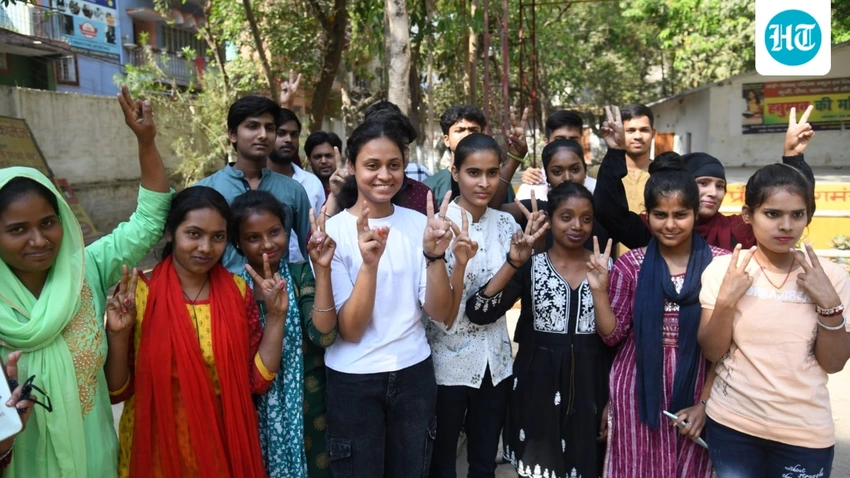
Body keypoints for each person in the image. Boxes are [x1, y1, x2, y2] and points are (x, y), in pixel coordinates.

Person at [0, 86, 172, 477]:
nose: (39, 240)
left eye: (47, 223)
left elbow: (149, 222)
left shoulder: (87, 269)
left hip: (94, 459)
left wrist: (146, 142)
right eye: (17, 229)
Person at [323, 120, 471, 476]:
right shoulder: (333, 232)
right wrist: (369, 266)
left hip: (413, 374)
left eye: (394, 165)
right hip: (353, 379)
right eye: (371, 165)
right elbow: (351, 331)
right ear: (352, 167)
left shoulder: (419, 223)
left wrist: (436, 256)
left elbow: (441, 313)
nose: (384, 176)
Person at [108, 186, 286, 477]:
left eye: (218, 237)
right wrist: (116, 335)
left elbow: (256, 380)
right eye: (194, 234)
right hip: (156, 445)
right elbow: (118, 389)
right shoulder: (139, 293)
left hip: (221, 444)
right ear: (170, 232)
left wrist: (277, 317)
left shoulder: (237, 291)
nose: (206, 247)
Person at [697, 164, 850, 477]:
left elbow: (833, 363)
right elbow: (713, 351)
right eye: (772, 214)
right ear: (747, 215)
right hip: (732, 426)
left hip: (805, 433)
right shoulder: (725, 270)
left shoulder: (831, 277)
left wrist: (830, 304)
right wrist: (727, 300)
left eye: (797, 214)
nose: (786, 225)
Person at [465, 182, 612, 478]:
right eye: (566, 216)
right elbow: (479, 312)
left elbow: (616, 340)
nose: (577, 226)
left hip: (590, 391)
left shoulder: (607, 268)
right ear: (550, 219)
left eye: (586, 218)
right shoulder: (532, 267)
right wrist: (512, 263)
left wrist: (612, 401)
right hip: (536, 390)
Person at [426, 133, 547, 478]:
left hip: (495, 361)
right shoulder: (438, 225)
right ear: (455, 171)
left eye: (492, 173)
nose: (483, 182)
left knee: (483, 462)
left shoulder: (507, 224)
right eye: (473, 173)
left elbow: (509, 292)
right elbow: (442, 308)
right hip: (446, 363)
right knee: (442, 462)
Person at [598, 157, 728, 478]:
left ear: (696, 214)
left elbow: (730, 346)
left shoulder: (721, 266)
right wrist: (599, 291)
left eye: (681, 215)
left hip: (700, 389)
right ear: (647, 216)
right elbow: (612, 336)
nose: (670, 225)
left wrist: (706, 404)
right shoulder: (631, 265)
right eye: (660, 215)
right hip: (636, 391)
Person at [594, 105, 816, 251]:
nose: (713, 192)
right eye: (703, 183)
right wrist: (615, 151)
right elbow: (608, 211)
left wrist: (794, 157)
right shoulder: (658, 229)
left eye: (720, 186)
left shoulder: (738, 230)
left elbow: (800, 209)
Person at [230, 190, 337, 477]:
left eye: (274, 232)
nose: (267, 244)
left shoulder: (303, 274)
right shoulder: (233, 291)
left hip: (312, 405)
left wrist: (323, 270)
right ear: (237, 243)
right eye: (253, 238)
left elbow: (323, 337)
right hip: (255, 411)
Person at [196, 96, 312, 272]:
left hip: (279, 292)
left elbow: (311, 250)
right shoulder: (206, 190)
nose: (263, 135)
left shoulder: (293, 189)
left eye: (270, 128)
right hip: (225, 294)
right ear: (232, 134)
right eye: (252, 126)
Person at [508, 139, 610, 252]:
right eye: (557, 172)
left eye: (575, 169)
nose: (567, 177)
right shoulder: (535, 211)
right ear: (546, 176)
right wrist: (514, 159)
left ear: (585, 170)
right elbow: (491, 209)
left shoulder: (603, 211)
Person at [424, 104, 520, 207]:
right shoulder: (429, 187)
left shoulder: (498, 182)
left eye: (473, 130)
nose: (467, 135)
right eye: (460, 130)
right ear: (446, 140)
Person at [267, 108, 327, 263]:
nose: (289, 139)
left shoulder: (312, 183)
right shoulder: (257, 182)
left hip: (308, 270)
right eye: (281, 133)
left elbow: (322, 229)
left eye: (294, 135)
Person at [517, 110, 597, 197]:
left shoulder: (596, 189)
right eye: (559, 140)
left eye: (573, 141)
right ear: (546, 143)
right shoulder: (529, 189)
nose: (566, 146)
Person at [305, 131, 343, 200]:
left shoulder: (352, 188)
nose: (323, 161)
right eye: (318, 157)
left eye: (328, 156)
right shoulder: (304, 189)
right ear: (309, 160)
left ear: (339, 156)